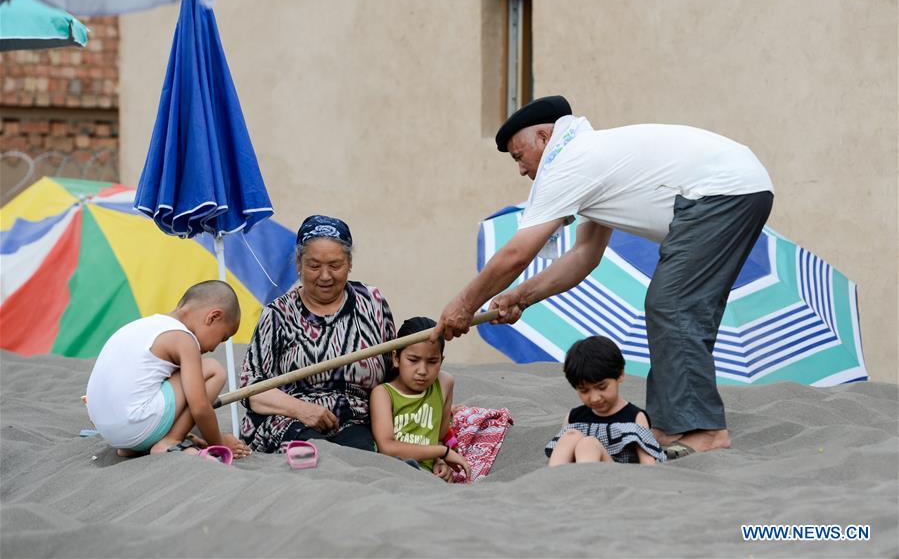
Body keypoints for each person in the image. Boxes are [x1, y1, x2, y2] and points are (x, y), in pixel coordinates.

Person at [435, 95, 774, 455]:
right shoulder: (592, 158)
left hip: (722, 192)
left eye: (519, 156)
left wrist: (463, 305)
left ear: (545, 138)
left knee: (672, 304)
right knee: (673, 305)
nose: (520, 170)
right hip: (737, 187)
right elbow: (584, 256)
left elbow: (518, 253)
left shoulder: (570, 161)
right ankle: (670, 427)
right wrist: (521, 296)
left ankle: (705, 431)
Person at [239, 215, 395, 453]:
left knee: (362, 455)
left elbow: (393, 372)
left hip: (357, 420)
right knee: (311, 452)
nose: (325, 276)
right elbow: (252, 391)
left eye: (335, 265)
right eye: (314, 265)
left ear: (350, 263)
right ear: (299, 264)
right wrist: (303, 410)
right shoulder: (278, 314)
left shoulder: (372, 303)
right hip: (290, 420)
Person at [86, 280, 251, 459]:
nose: (214, 348)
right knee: (214, 370)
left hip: (109, 433)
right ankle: (171, 440)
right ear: (212, 317)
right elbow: (200, 407)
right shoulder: (184, 339)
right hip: (135, 425)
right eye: (222, 337)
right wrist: (218, 441)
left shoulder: (143, 326)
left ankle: (138, 445)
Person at [370, 317, 471, 481]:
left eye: (432, 361)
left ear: (441, 360)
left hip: (428, 475)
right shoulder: (383, 393)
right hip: (394, 473)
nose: (422, 370)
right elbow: (387, 447)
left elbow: (439, 436)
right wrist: (443, 452)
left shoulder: (444, 384)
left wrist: (439, 462)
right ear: (396, 358)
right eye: (413, 360)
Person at [546, 336, 665, 466]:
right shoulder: (574, 417)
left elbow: (647, 461)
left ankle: (584, 481)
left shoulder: (635, 417)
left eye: (602, 387)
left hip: (613, 476)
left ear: (620, 374)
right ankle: (553, 479)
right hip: (571, 474)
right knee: (570, 436)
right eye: (584, 390)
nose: (595, 398)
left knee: (589, 443)